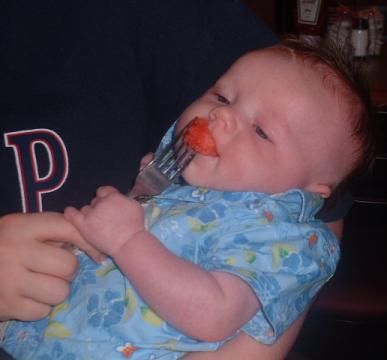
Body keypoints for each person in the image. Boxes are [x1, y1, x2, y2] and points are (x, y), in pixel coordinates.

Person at [0, 1, 353, 358]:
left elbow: (214, 314)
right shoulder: (184, 182)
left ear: (315, 189)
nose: (221, 116)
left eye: (261, 131)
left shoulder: (286, 240)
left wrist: (128, 240)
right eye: (221, 96)